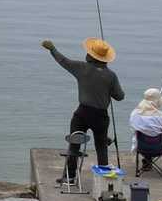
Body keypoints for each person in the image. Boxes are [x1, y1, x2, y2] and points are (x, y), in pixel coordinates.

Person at [41, 37, 125, 183]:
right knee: (101, 147)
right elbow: (120, 96)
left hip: (82, 113)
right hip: (101, 116)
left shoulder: (81, 68)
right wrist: (107, 89)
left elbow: (63, 61)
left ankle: (69, 177)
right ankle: (104, 179)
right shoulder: (111, 76)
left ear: (92, 56)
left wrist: (52, 49)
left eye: (89, 53)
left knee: (74, 144)